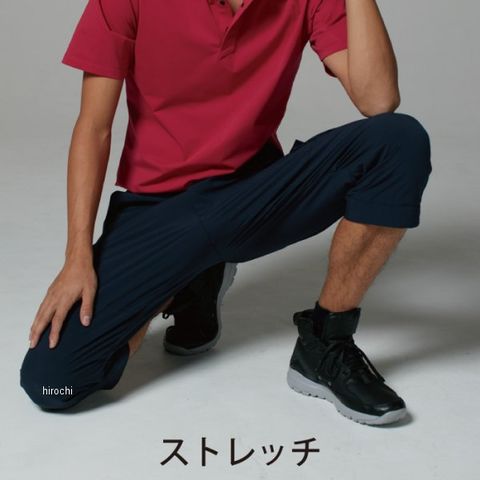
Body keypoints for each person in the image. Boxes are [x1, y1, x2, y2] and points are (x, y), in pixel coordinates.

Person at [19, 0, 431, 425]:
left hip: (252, 199)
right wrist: (77, 256)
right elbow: (93, 128)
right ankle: (190, 281)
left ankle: (326, 342)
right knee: (52, 383)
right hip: (159, 210)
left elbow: (379, 99)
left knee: (398, 141)